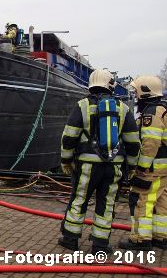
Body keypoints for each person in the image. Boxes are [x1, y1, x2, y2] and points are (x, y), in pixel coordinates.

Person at [58, 69, 140, 253]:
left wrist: (65, 160)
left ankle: (70, 239)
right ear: (111, 85)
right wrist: (132, 166)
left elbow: (69, 135)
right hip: (113, 167)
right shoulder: (123, 109)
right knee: (107, 203)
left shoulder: (82, 105)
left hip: (86, 165)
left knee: (79, 200)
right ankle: (100, 245)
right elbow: (133, 141)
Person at [119, 75, 167, 250]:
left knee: (142, 201)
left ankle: (141, 239)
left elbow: (150, 143)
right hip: (163, 168)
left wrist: (141, 167)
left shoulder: (151, 113)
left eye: (137, 91)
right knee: (161, 201)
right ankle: (161, 237)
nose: (136, 95)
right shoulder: (163, 109)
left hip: (152, 168)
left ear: (145, 92)